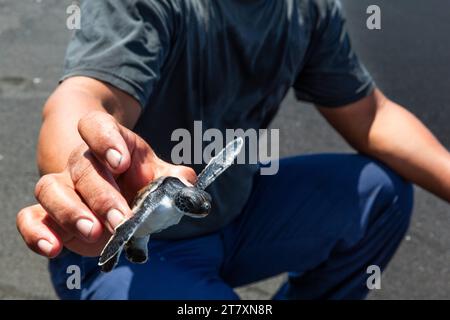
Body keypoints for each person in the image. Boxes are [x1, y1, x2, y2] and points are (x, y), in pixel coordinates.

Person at [16, 0, 450, 299]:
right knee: (115, 244)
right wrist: (81, 177)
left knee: (381, 193)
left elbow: (371, 115)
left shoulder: (304, 10)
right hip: (127, 248)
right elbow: (84, 99)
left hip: (234, 213)